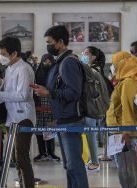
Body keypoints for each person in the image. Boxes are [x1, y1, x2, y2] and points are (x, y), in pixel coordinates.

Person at [33, 25, 89, 188]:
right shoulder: (61, 62)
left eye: (50, 42)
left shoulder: (68, 63)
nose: (48, 45)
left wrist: (49, 92)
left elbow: (73, 92)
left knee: (75, 166)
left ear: (60, 42)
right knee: (69, 166)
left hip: (71, 121)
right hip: (64, 120)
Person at [0, 37, 36, 188]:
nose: (1, 57)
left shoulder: (24, 69)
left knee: (21, 157)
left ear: (14, 53)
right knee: (14, 157)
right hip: (11, 117)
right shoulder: (9, 68)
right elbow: (9, 89)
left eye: (3, 54)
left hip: (23, 117)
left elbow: (23, 95)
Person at [106, 51, 137, 188]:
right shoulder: (130, 79)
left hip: (123, 132)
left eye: (115, 63)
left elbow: (127, 108)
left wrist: (127, 131)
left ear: (123, 64)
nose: (113, 66)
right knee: (125, 171)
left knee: (127, 173)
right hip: (119, 129)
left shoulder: (129, 82)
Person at [80, 46, 107, 172]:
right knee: (90, 133)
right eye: (83, 53)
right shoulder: (94, 69)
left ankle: (95, 162)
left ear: (93, 57)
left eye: (86, 53)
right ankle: (92, 160)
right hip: (90, 105)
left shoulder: (93, 70)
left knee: (91, 134)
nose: (83, 55)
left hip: (91, 106)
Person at [33, 54, 60, 162]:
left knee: (50, 127)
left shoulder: (56, 74)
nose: (47, 64)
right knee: (39, 129)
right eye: (45, 62)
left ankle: (51, 152)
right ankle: (42, 152)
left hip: (51, 101)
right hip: (38, 103)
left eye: (49, 62)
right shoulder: (37, 74)